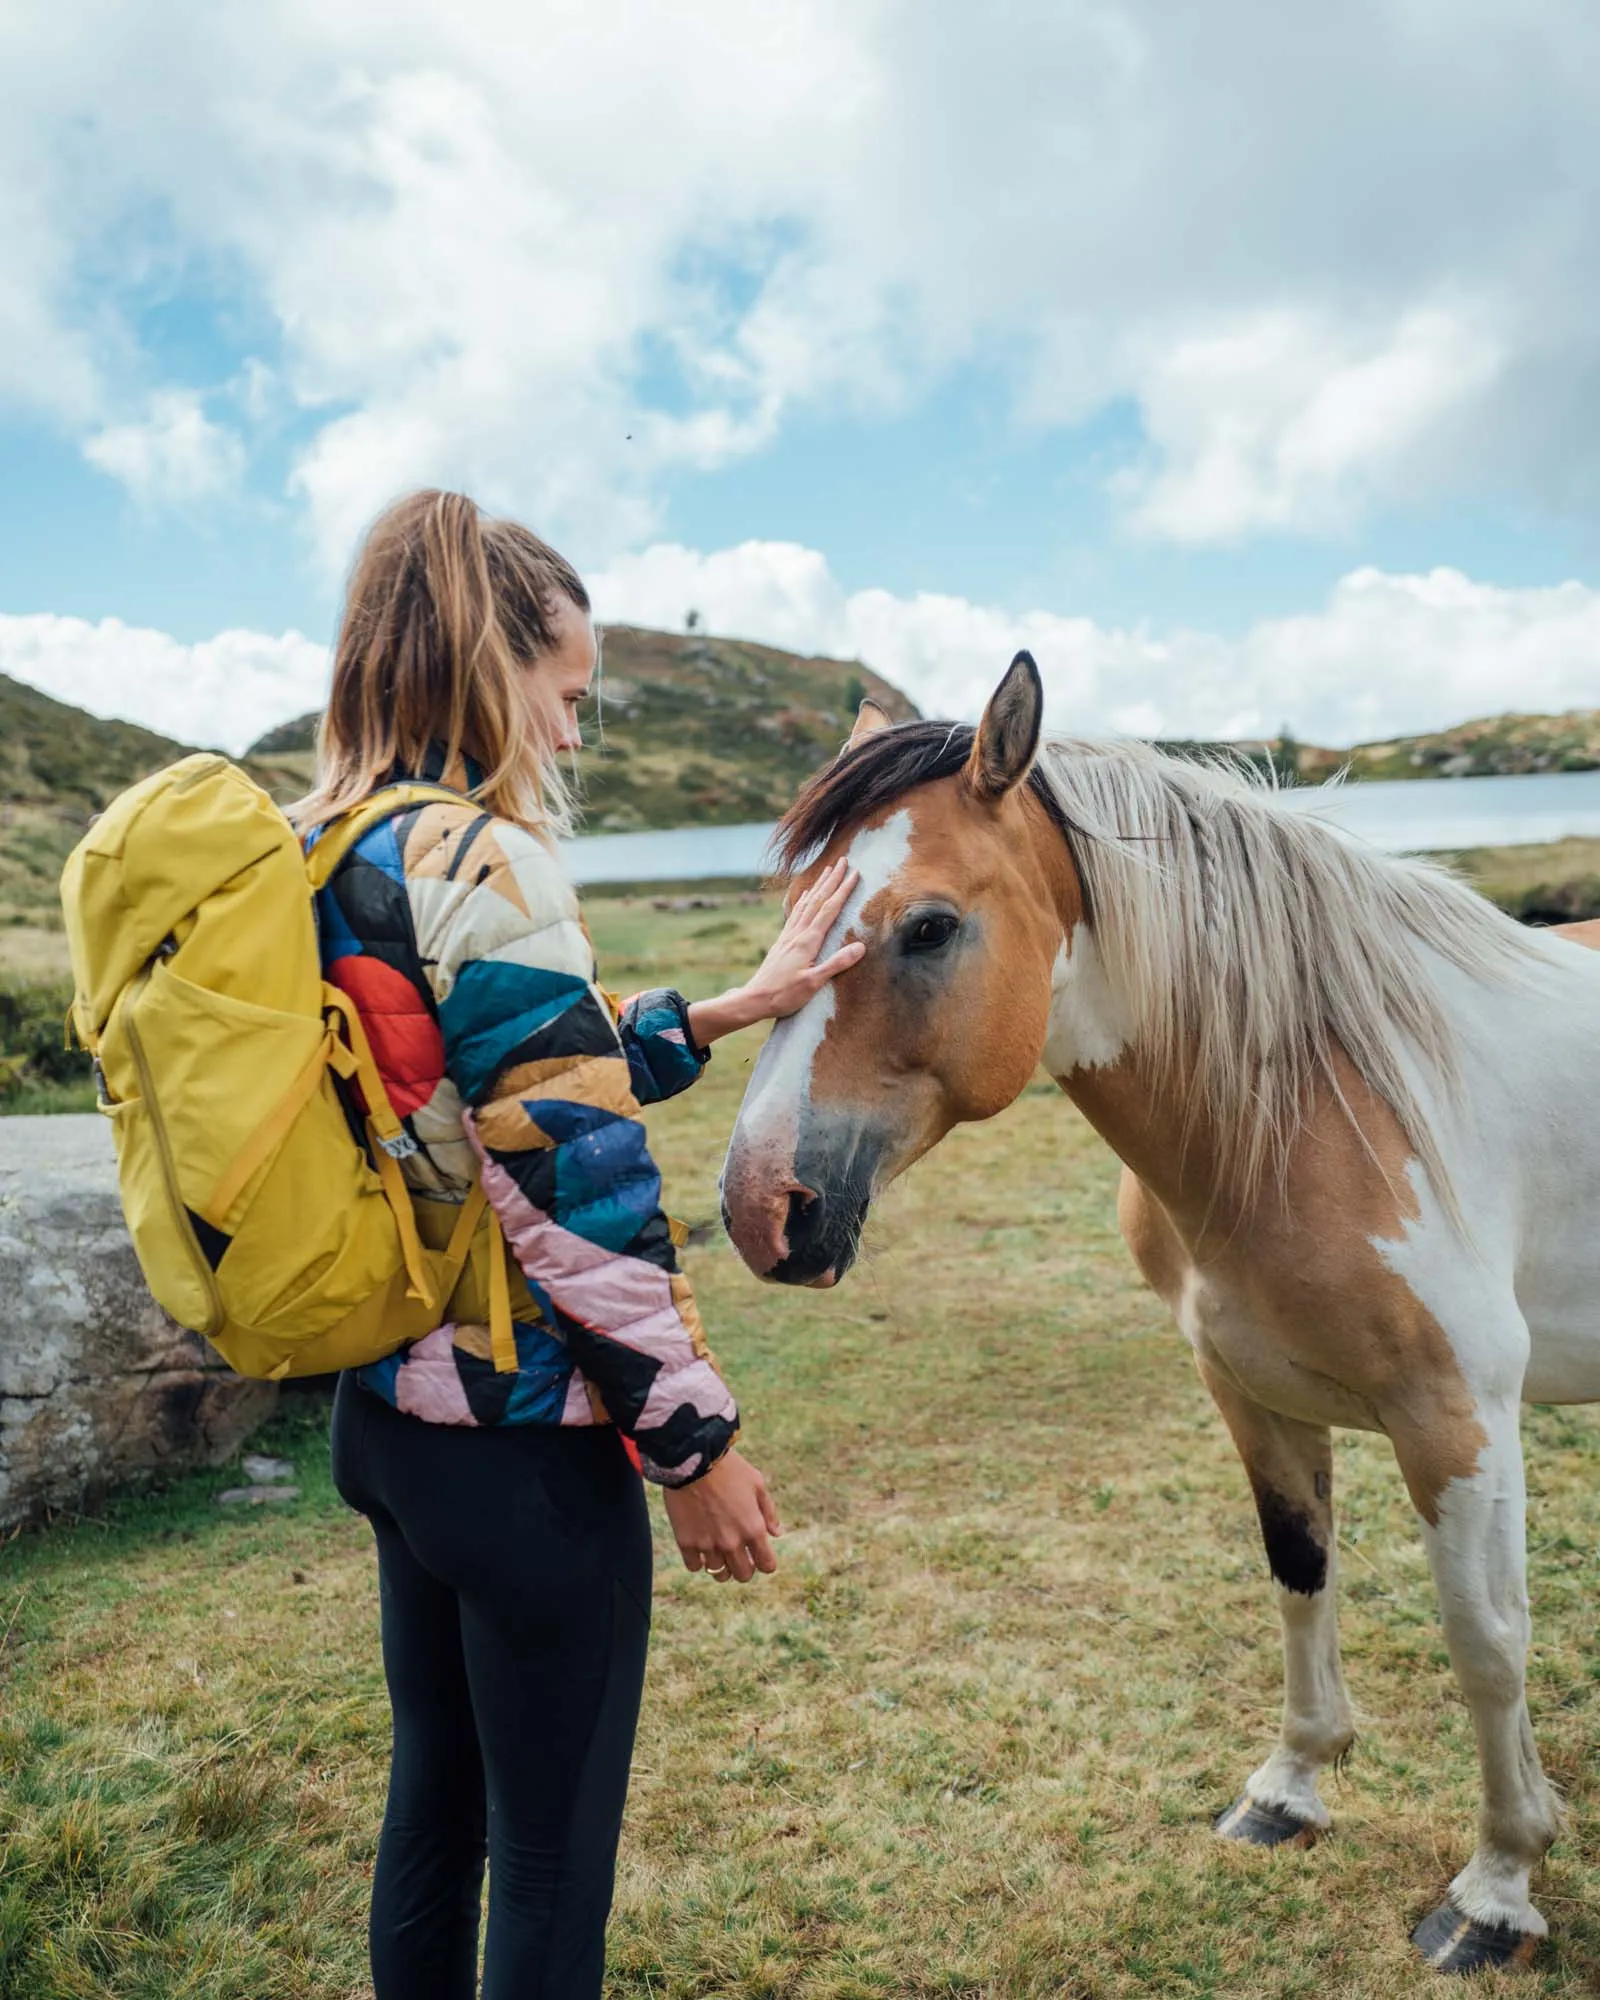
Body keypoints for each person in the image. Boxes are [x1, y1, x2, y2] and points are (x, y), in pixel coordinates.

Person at [295, 490, 863, 2000]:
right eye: (567, 695)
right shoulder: (483, 864)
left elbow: (460, 1087)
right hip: (525, 1448)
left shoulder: (311, 848)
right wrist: (691, 1445)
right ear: (497, 664)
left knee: (437, 1819)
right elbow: (576, 1188)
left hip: (385, 1424)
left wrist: (720, 1012)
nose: (569, 732)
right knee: (548, 1868)